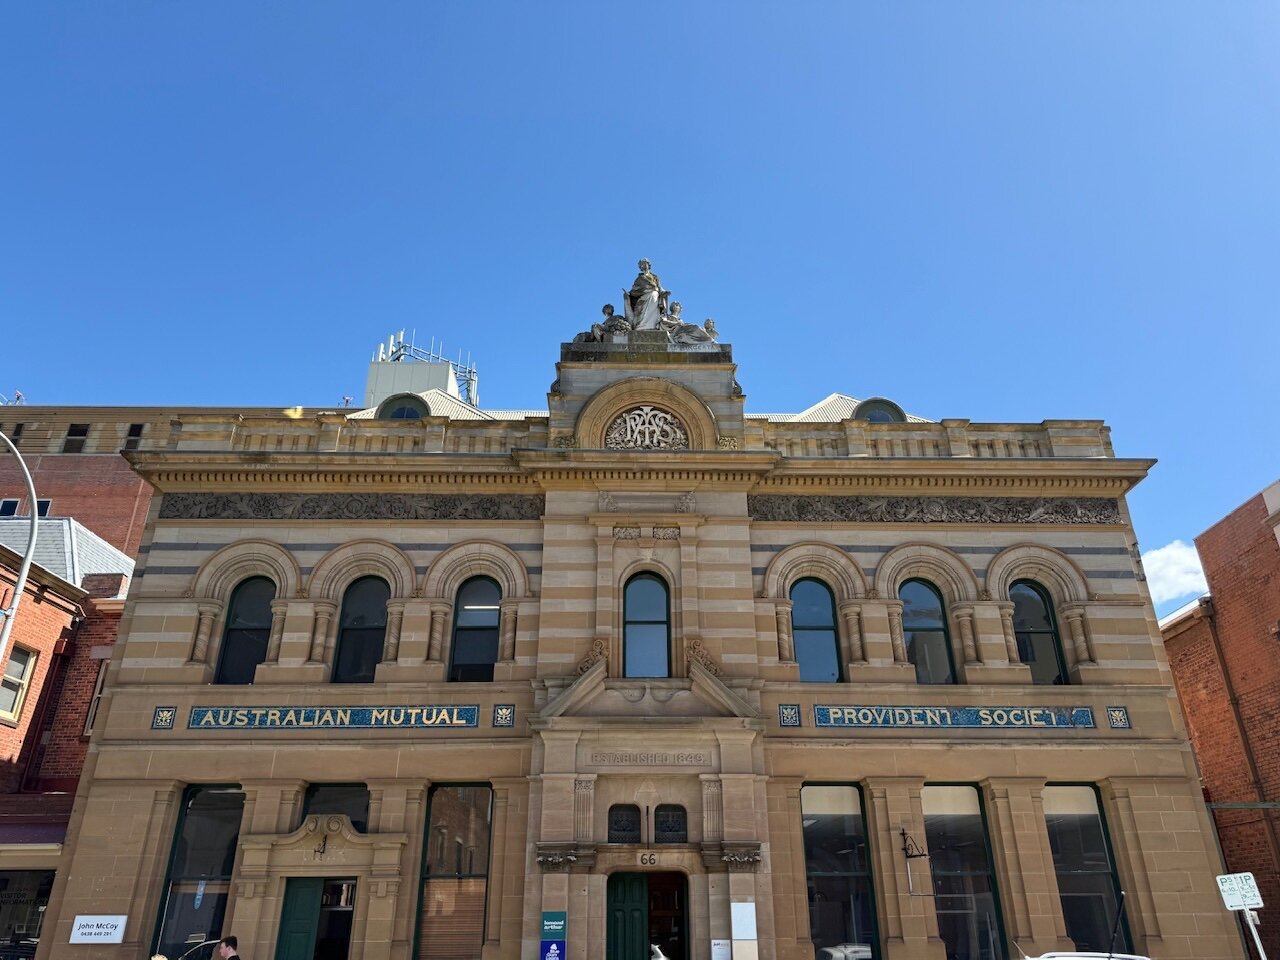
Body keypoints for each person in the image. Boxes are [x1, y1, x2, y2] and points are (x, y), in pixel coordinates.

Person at [625, 259, 668, 330]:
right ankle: (642, 325)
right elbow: (634, 290)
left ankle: (653, 324)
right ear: (640, 267)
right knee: (652, 296)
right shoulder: (639, 279)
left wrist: (664, 292)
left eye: (645, 264)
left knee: (654, 295)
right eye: (641, 264)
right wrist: (628, 294)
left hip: (655, 295)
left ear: (648, 265)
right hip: (643, 297)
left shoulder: (655, 277)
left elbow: (660, 287)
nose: (643, 265)